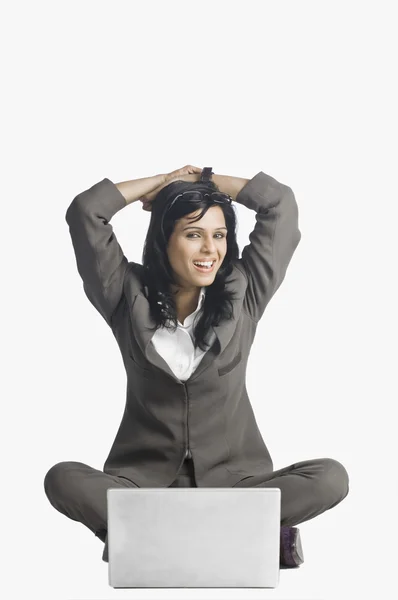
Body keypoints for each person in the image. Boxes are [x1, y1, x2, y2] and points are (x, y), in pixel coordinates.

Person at [43, 165, 349, 568]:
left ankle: (139, 537)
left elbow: (280, 205)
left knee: (331, 477)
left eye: (219, 235)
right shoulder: (123, 293)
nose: (210, 250)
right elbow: (87, 212)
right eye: (193, 234)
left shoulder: (245, 290)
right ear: (163, 240)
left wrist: (204, 183)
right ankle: (248, 537)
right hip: (143, 483)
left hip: (235, 483)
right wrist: (161, 184)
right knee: (61, 478)